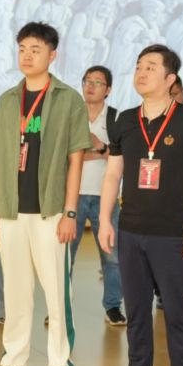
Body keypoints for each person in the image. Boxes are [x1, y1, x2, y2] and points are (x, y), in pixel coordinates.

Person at [0, 22, 93, 366]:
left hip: (51, 212)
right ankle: (14, 365)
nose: (27, 56)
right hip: (11, 211)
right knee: (16, 292)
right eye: (22, 49)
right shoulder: (7, 101)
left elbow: (76, 159)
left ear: (52, 55)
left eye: (36, 49)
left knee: (57, 294)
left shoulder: (68, 99)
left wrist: (71, 212)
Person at [100, 45, 183, 366]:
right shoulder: (125, 120)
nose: (141, 72)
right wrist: (105, 220)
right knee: (136, 311)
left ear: (170, 78)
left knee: (176, 312)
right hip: (131, 230)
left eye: (151, 67)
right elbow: (113, 174)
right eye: (138, 66)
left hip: (172, 233)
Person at [75, 64, 127, 327]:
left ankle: (113, 306)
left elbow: (122, 157)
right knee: (64, 257)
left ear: (108, 89)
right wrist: (104, 152)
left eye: (97, 82)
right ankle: (60, 307)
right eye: (87, 81)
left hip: (106, 198)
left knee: (112, 257)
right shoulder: (72, 115)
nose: (91, 86)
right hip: (72, 196)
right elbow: (64, 155)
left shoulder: (117, 118)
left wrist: (98, 147)